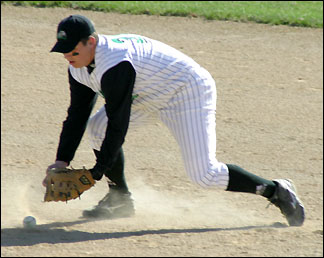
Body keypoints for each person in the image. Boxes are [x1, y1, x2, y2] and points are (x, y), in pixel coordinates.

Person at [45, 14, 305, 226]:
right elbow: (77, 114)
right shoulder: (78, 66)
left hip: (185, 90)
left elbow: (119, 123)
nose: (68, 56)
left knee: (205, 175)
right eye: (63, 51)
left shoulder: (114, 63)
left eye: (72, 50)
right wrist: (61, 160)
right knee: (96, 127)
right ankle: (119, 199)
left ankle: (276, 190)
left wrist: (96, 171)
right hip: (147, 93)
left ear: (91, 41)